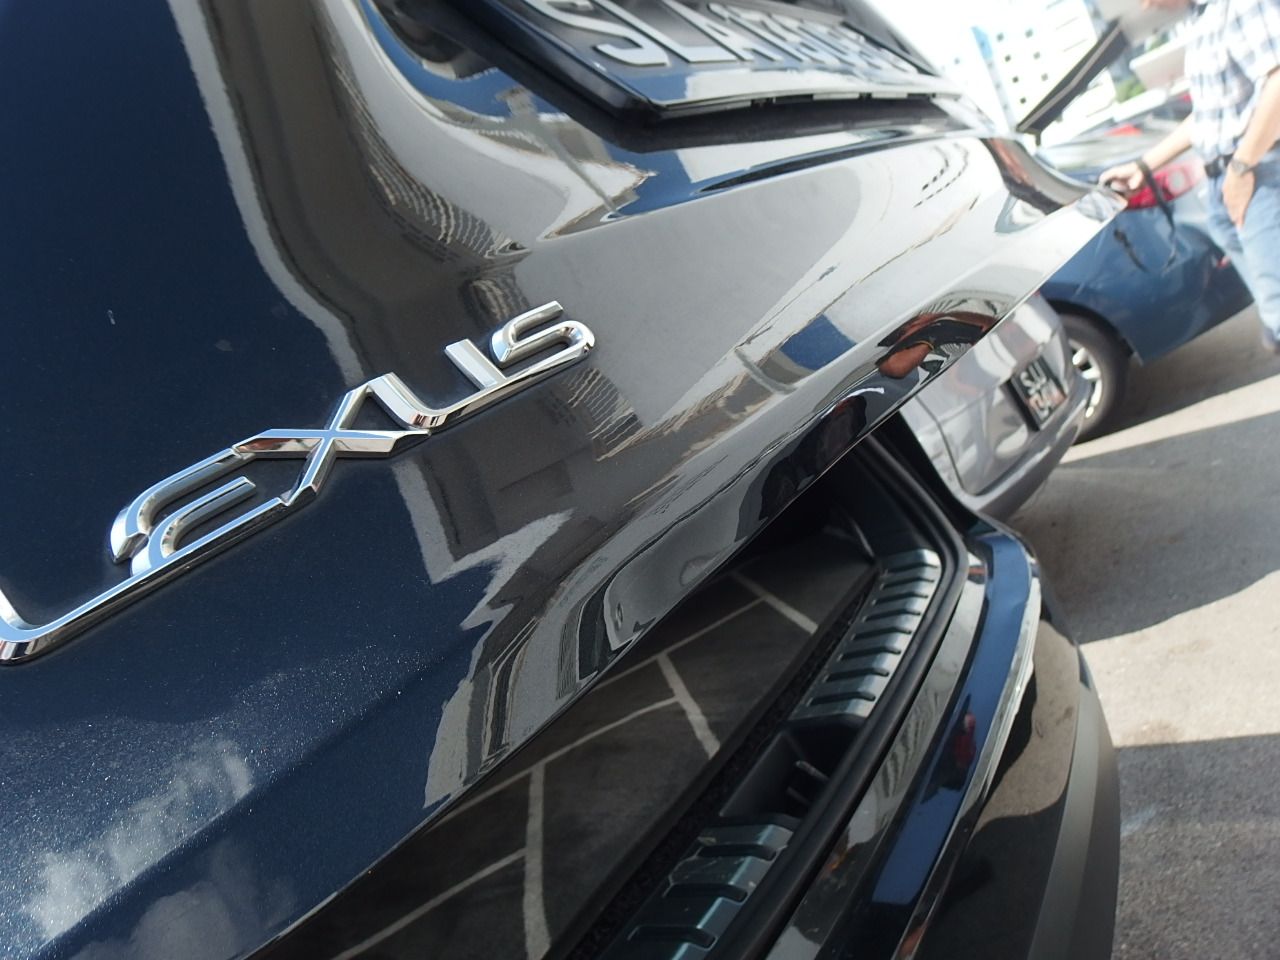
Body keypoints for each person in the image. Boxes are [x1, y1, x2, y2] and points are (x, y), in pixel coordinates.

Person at [1099, 0, 1280, 354]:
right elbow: (1209, 114)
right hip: (1230, 181)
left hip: (1257, 176)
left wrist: (1242, 168)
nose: (1145, 6)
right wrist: (1144, 166)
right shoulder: (1199, 17)